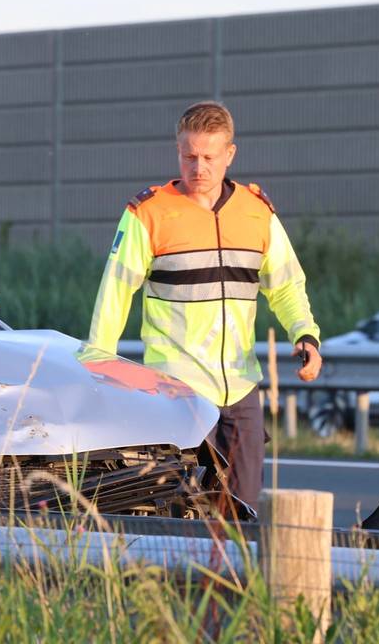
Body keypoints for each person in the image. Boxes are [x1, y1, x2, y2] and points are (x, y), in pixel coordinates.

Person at [85, 100, 322, 513]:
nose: (199, 168)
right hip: (176, 390)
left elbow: (286, 285)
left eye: (209, 157)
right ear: (178, 151)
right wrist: (99, 365)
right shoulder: (148, 214)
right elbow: (115, 294)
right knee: (186, 512)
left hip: (241, 390)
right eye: (189, 156)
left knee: (243, 512)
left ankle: (240, 580)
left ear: (230, 154)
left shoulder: (257, 213)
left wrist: (304, 333)